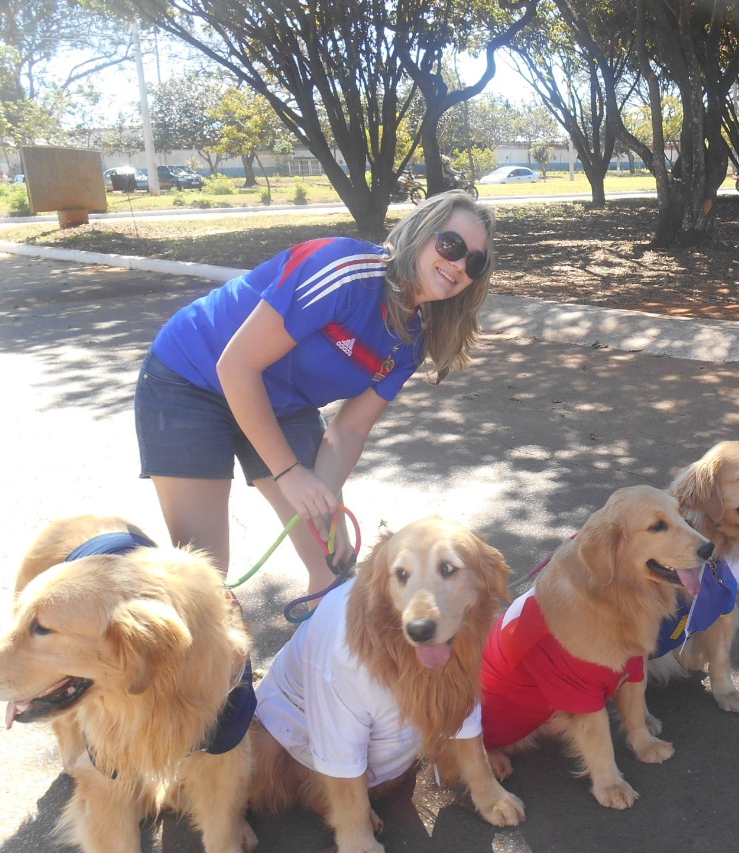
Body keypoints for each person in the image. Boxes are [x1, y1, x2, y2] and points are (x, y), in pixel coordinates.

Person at [134, 190, 494, 600]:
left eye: (475, 262)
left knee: (334, 565)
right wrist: (290, 475)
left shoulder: (411, 341)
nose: (460, 264)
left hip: (284, 404)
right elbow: (236, 367)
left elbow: (351, 430)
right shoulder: (343, 269)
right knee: (201, 578)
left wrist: (325, 500)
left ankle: (311, 662)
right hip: (192, 380)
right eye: (451, 245)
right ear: (421, 232)